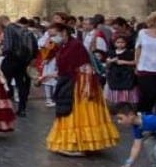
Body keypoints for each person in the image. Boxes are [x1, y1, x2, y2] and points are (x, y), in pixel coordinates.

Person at [45, 21, 118, 156]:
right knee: (69, 112)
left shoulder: (75, 46)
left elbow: (85, 66)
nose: (52, 38)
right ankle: (77, 143)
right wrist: (48, 75)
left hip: (80, 84)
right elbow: (64, 68)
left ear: (63, 32)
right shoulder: (64, 46)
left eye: (54, 34)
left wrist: (86, 86)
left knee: (79, 113)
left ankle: (79, 144)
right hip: (70, 81)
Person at [0, 15, 36, 117]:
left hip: (11, 59)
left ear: (1, 23)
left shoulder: (9, 29)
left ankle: (4, 108)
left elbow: (8, 47)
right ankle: (22, 108)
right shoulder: (25, 29)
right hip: (24, 60)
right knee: (22, 85)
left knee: (4, 82)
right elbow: (34, 45)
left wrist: (2, 51)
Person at [104, 34, 139, 107]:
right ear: (114, 43)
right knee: (115, 92)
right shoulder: (111, 52)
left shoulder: (130, 52)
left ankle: (127, 107)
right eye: (118, 42)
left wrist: (123, 62)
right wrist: (111, 61)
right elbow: (107, 64)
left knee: (127, 91)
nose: (120, 44)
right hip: (114, 75)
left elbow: (135, 62)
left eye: (122, 42)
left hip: (127, 75)